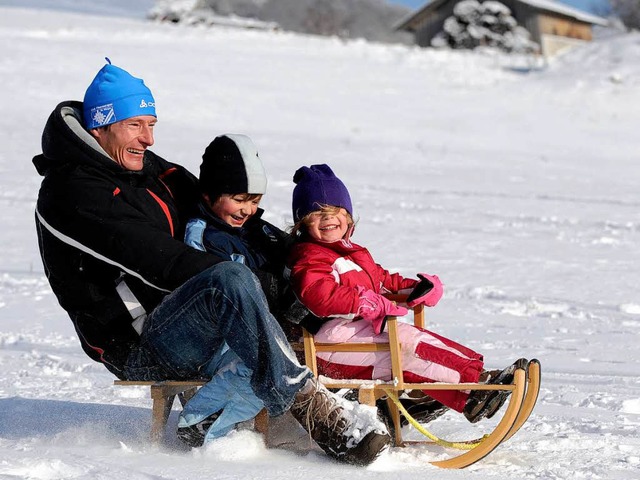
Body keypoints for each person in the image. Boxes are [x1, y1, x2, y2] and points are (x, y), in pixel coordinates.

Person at [32, 59, 390, 465]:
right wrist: (249, 282)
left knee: (278, 290)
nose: (148, 138)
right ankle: (317, 413)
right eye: (136, 125)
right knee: (229, 279)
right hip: (140, 340)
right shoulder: (70, 192)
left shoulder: (145, 169)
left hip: (184, 319)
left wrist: (298, 263)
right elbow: (158, 261)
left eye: (152, 124)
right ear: (102, 124)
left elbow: (221, 208)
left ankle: (384, 397)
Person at [287, 164, 526, 425]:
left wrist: (415, 289)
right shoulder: (310, 256)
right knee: (406, 346)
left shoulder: (352, 254)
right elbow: (318, 295)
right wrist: (361, 300)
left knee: (416, 339)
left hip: (355, 336)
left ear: (349, 218)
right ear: (302, 223)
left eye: (336, 211)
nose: (328, 218)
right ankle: (472, 390)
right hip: (329, 345)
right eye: (317, 213)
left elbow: (384, 280)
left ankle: (478, 379)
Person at [177, 133, 307, 446]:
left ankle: (293, 430)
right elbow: (218, 283)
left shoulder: (257, 230)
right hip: (218, 337)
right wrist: (272, 286)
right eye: (238, 199)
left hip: (266, 325)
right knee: (260, 361)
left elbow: (295, 254)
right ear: (209, 195)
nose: (247, 209)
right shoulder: (202, 235)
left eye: (255, 201)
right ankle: (201, 423)